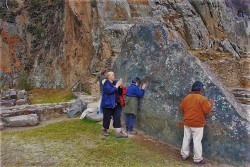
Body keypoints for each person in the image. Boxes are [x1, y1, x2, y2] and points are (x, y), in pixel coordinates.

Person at [180, 81, 212, 164]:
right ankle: (197, 159)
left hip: (187, 122)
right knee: (197, 141)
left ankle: (184, 155)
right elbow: (207, 111)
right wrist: (210, 104)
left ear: (192, 89)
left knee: (186, 139)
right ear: (201, 90)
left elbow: (182, 107)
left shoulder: (187, 97)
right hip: (197, 124)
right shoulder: (202, 98)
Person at [101, 71, 128, 138]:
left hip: (116, 104)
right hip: (108, 104)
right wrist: (116, 86)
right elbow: (109, 91)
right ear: (108, 77)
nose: (114, 76)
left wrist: (121, 87)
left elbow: (119, 92)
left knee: (117, 117)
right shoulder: (106, 84)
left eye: (114, 74)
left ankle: (119, 132)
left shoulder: (115, 83)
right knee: (107, 118)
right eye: (112, 75)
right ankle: (105, 130)